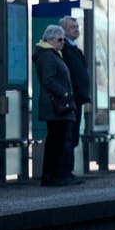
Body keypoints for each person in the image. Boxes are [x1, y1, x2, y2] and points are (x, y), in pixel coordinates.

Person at [33, 24, 79, 186]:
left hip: (57, 106)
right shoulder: (47, 56)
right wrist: (64, 93)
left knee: (58, 141)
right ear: (50, 39)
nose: (63, 42)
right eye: (60, 39)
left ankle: (56, 175)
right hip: (55, 106)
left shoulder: (53, 54)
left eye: (63, 39)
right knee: (55, 141)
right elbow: (48, 80)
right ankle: (51, 176)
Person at [59, 16, 92, 179]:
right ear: (63, 31)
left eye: (77, 26)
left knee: (73, 137)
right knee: (68, 136)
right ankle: (65, 172)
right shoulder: (64, 49)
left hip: (77, 100)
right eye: (72, 27)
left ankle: (68, 171)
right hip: (70, 101)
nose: (77, 29)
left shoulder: (76, 50)